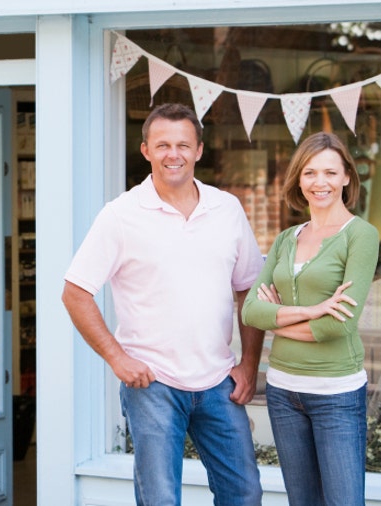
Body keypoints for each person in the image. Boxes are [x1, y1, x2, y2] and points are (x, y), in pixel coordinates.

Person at [62, 102, 265, 506]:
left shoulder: (226, 209)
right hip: (152, 384)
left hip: (218, 382)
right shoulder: (120, 215)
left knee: (244, 492)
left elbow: (249, 290)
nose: (174, 154)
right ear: (146, 151)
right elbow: (75, 292)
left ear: (199, 150)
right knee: (160, 500)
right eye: (163, 145)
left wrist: (249, 364)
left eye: (183, 145)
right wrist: (118, 359)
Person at [242, 131, 379, 506]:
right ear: (299, 179)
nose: (320, 182)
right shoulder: (288, 238)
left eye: (331, 173)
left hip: (336, 392)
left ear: (347, 177)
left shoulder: (360, 236)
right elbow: (251, 311)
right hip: (284, 390)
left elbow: (339, 325)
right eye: (310, 173)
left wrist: (278, 319)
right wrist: (310, 311)